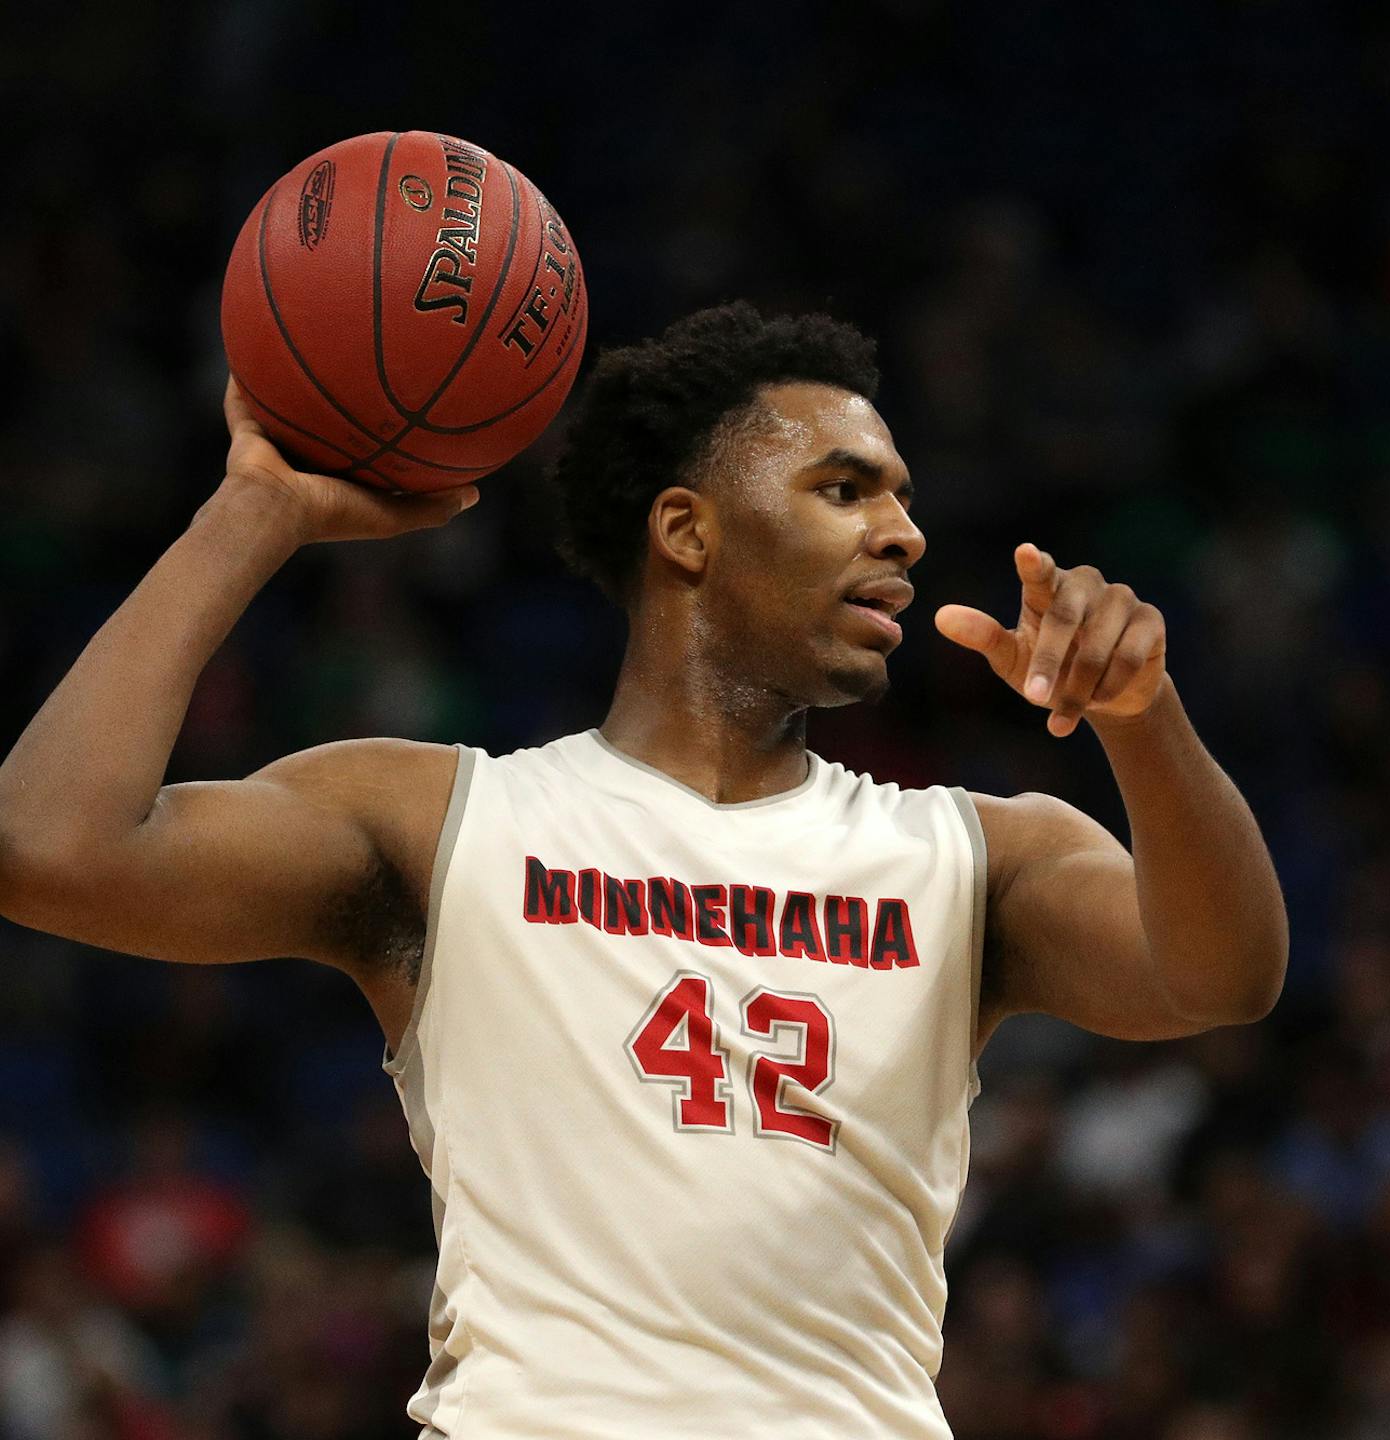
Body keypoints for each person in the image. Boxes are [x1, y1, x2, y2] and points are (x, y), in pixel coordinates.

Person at [0, 303, 1289, 1439]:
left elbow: (1226, 977)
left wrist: (1144, 726)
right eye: (846, 490)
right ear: (687, 529)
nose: (904, 533)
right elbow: (48, 849)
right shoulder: (443, 822)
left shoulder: (976, 853)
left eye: (899, 496)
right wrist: (254, 514)